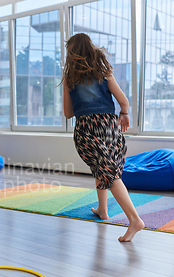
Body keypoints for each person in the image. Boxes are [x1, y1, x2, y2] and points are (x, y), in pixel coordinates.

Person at [62, 33, 144, 242]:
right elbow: (123, 101)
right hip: (109, 126)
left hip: (87, 128)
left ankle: (135, 219)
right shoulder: (104, 72)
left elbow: (68, 113)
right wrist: (124, 115)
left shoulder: (70, 79)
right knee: (103, 167)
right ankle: (103, 209)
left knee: (108, 172)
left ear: (71, 54)